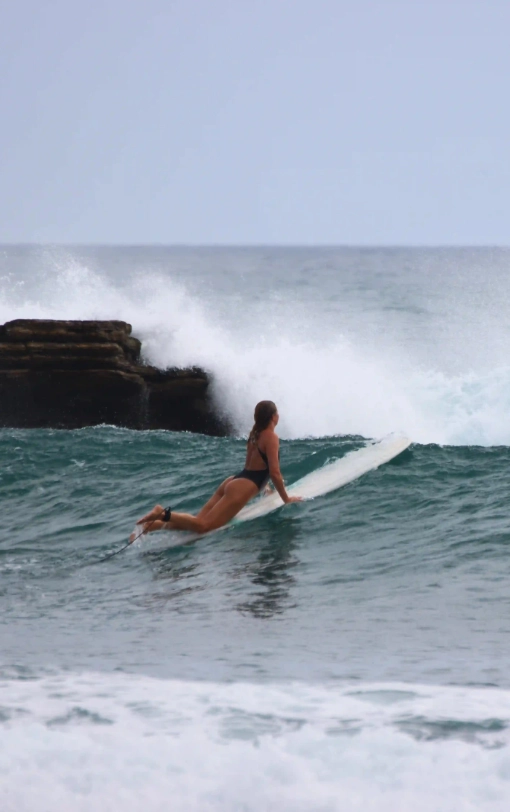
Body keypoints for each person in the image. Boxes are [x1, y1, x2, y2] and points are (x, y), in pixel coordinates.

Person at [132, 400, 302, 538]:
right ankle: (162, 513)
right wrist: (286, 498)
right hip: (242, 486)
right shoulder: (271, 437)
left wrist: (266, 489)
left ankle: (152, 526)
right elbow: (274, 472)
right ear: (273, 417)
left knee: (197, 522)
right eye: (277, 413)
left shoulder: (254, 434)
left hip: (235, 480)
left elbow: (255, 467)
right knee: (204, 526)